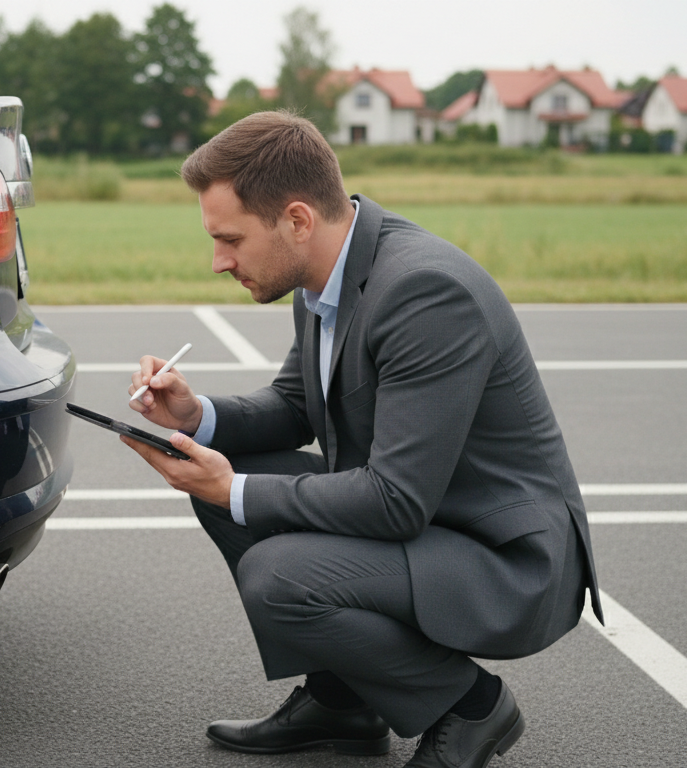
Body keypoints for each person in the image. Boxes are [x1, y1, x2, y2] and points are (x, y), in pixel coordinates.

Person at [122, 111, 602, 768]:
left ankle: (470, 708)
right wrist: (192, 413)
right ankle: (344, 700)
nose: (218, 262)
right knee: (228, 479)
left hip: (502, 558)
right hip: (429, 519)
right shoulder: (325, 273)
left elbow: (395, 501)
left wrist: (232, 488)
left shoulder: (425, 292)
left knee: (275, 573)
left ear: (296, 220)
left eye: (230, 239)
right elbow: (295, 406)